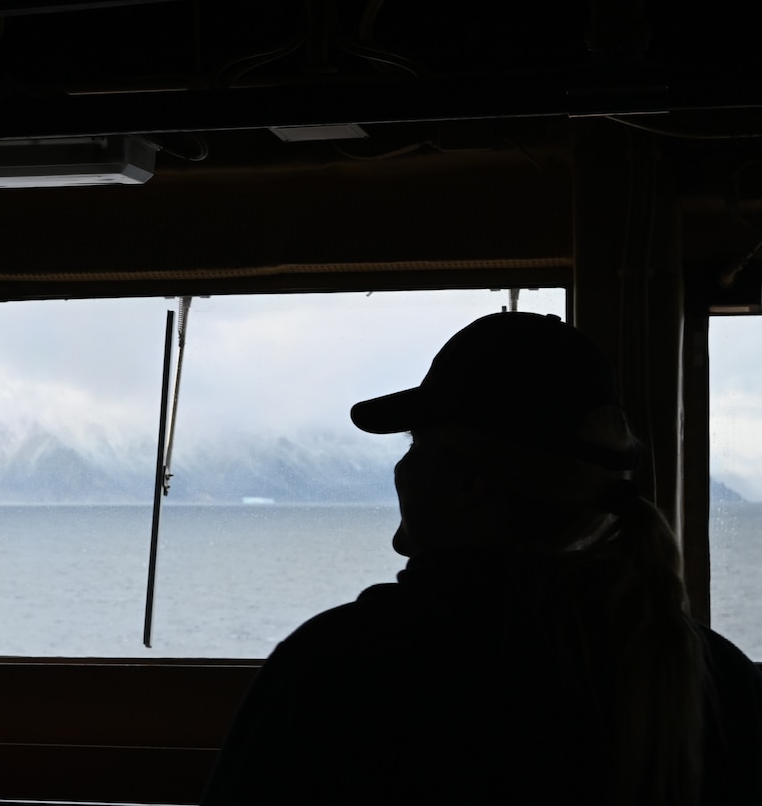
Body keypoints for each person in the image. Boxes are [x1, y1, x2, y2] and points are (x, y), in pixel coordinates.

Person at [202, 311, 762, 806]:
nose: (402, 469)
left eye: (417, 445)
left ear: (470, 482)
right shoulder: (714, 676)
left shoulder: (336, 669)